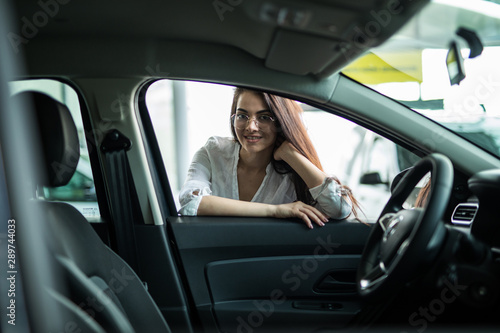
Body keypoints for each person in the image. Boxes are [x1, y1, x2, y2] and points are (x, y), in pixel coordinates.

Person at [178, 87, 361, 228]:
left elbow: (339, 209)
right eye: (242, 115)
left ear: (281, 122)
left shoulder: (292, 172)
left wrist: (292, 154)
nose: (251, 126)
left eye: (264, 117)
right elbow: (191, 202)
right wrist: (274, 210)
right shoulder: (213, 152)